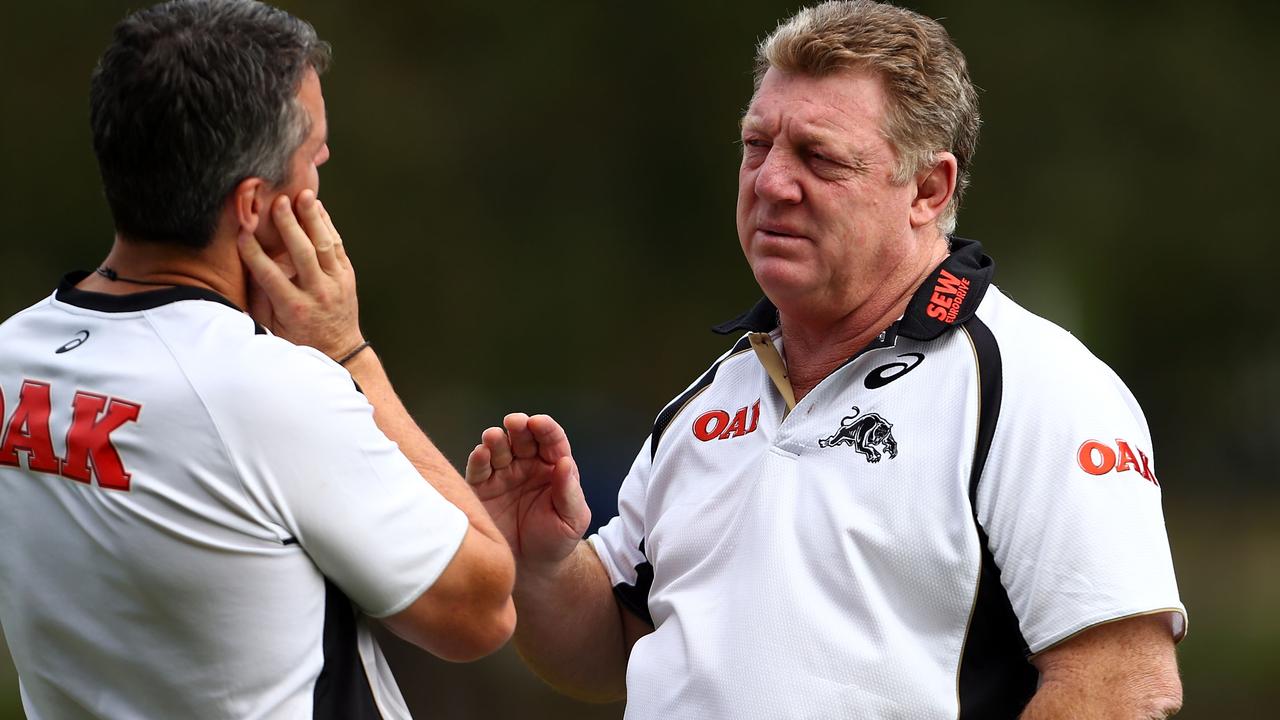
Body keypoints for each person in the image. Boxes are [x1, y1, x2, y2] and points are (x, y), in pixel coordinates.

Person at [463, 1, 1186, 718]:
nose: (771, 182)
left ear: (928, 190)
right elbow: (614, 651)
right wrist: (544, 563)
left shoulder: (1038, 386)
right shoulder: (708, 400)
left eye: (820, 157)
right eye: (756, 145)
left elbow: (1121, 690)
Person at [0, 1, 514, 718]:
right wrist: (349, 353)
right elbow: (484, 607)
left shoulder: (11, 354)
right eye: (315, 157)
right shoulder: (266, 389)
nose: (323, 174)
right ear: (252, 206)